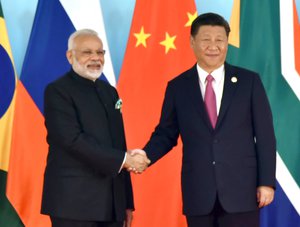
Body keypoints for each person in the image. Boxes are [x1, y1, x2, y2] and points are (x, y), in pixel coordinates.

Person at [141, 13, 276, 227]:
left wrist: (266, 182)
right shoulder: (178, 87)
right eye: (206, 39)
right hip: (199, 193)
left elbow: (266, 136)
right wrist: (145, 156)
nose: (213, 46)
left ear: (226, 43)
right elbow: (166, 134)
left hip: (242, 193)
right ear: (192, 42)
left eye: (219, 40)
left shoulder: (249, 82)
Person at [41, 29, 149, 227]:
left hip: (113, 204)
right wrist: (126, 160)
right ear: (70, 56)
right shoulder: (57, 91)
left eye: (100, 53)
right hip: (73, 204)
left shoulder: (110, 92)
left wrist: (127, 203)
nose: (95, 58)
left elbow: (119, 144)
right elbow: (71, 140)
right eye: (87, 52)